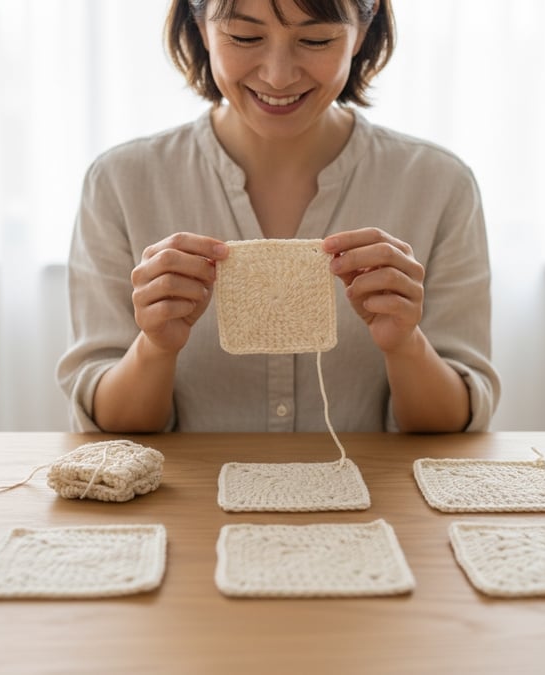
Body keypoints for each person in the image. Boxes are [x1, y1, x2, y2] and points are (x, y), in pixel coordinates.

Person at [57, 0, 499, 434]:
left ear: (362, 31)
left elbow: (453, 424)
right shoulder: (120, 182)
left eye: (315, 39)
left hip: (371, 486)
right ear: (200, 26)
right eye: (244, 36)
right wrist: (154, 347)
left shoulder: (439, 184)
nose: (278, 75)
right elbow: (110, 426)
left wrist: (405, 344)